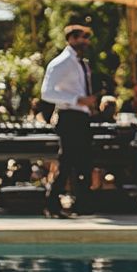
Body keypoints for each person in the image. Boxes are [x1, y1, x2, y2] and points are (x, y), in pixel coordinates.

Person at [41, 12, 98, 217]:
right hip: (69, 116)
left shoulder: (81, 63)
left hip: (81, 116)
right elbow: (46, 93)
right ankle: (52, 203)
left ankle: (81, 204)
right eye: (81, 37)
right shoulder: (61, 62)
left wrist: (88, 104)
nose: (85, 41)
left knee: (83, 162)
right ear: (72, 39)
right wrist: (76, 100)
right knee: (67, 162)